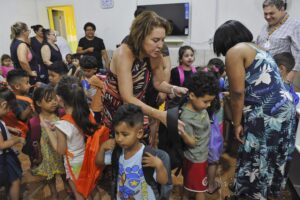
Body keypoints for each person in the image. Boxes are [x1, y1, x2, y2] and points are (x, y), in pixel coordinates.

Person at [213, 20, 296, 200]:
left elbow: (237, 93)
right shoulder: (259, 49)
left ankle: (250, 196)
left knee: (256, 156)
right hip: (283, 109)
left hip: (266, 113)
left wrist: (236, 124)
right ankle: (259, 193)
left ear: (225, 42)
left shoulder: (235, 51)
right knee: (270, 154)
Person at [102, 11, 188, 133]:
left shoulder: (155, 53)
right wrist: (160, 115)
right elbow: (127, 98)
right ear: (140, 36)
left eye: (163, 40)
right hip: (116, 108)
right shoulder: (124, 53)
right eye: (155, 40)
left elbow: (158, 83)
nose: (160, 45)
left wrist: (173, 89)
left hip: (137, 105)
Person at [96, 104, 169, 200]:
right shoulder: (117, 151)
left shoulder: (147, 155)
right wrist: (102, 148)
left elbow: (163, 181)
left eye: (124, 134)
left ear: (139, 133)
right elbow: (99, 162)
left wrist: (159, 166)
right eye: (116, 133)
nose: (119, 139)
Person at [52, 76, 98, 199]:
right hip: (89, 159)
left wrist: (50, 130)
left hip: (75, 164)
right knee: (92, 189)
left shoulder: (62, 125)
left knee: (79, 194)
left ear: (59, 99)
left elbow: (60, 150)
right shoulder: (88, 113)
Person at [178, 72, 219, 200]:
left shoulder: (199, 108)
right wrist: (183, 133)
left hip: (201, 155)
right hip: (196, 159)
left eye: (210, 101)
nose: (209, 105)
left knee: (189, 185)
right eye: (206, 101)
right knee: (200, 190)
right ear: (192, 95)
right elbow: (192, 143)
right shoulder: (187, 116)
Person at [31, 86, 65, 200]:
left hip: (61, 152)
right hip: (47, 153)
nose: (54, 102)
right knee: (50, 176)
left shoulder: (61, 114)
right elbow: (34, 140)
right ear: (38, 103)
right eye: (49, 100)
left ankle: (68, 189)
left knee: (65, 173)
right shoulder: (35, 121)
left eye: (55, 99)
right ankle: (54, 192)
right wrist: (36, 155)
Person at [256, 0, 300, 83]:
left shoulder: (295, 26)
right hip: (262, 74)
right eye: (265, 14)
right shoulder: (265, 27)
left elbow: (299, 53)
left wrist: (289, 78)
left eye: (271, 13)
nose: (268, 17)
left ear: (282, 9)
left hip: (282, 76)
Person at [0, 86, 25, 200]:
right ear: (4, 104)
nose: (9, 111)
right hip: (3, 158)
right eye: (9, 108)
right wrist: (17, 140)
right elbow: (2, 145)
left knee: (7, 180)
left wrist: (9, 128)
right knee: (14, 181)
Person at [79, 56, 104, 123]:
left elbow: (104, 86)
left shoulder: (94, 78)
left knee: (96, 123)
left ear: (95, 70)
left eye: (88, 71)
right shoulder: (83, 77)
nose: (86, 73)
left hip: (96, 107)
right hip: (89, 106)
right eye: (84, 70)